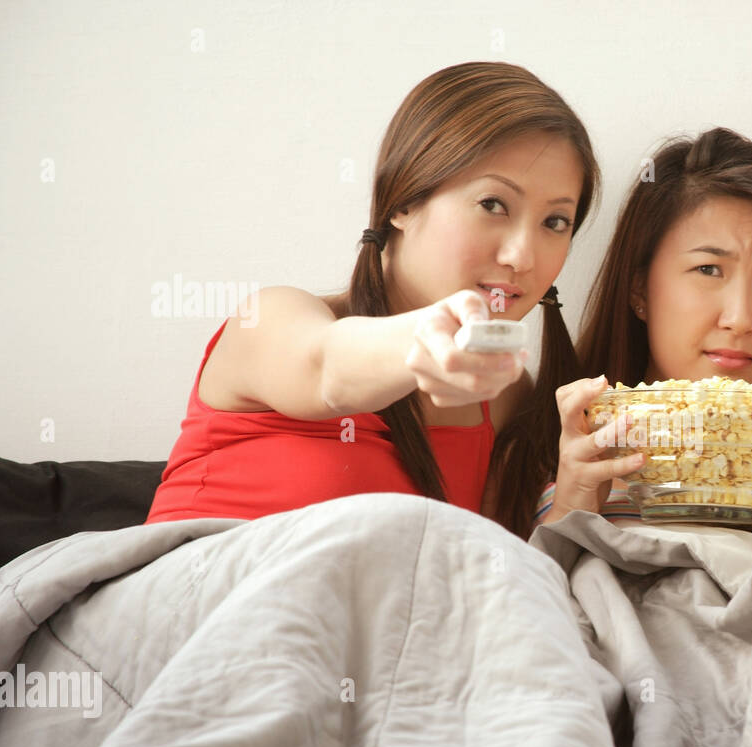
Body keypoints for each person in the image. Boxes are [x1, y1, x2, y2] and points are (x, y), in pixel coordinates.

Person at [146, 62, 598, 539]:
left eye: (555, 222)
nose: (522, 256)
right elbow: (325, 368)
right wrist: (425, 339)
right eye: (492, 204)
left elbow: (491, 576)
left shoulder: (502, 395)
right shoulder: (270, 319)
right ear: (403, 201)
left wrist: (572, 502)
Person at [534, 128, 752, 528]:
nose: (739, 318)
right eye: (708, 269)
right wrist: (570, 512)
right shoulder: (546, 452)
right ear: (639, 287)